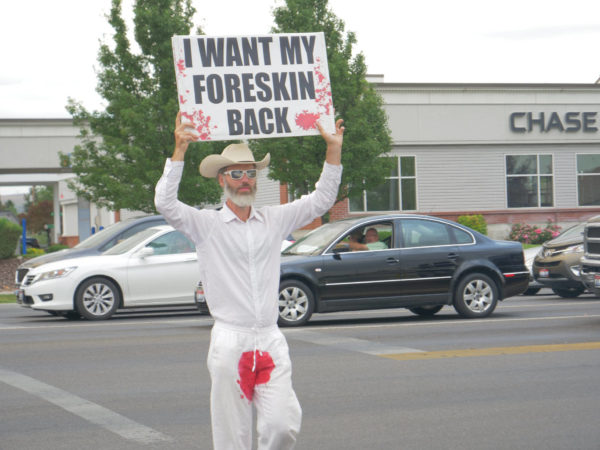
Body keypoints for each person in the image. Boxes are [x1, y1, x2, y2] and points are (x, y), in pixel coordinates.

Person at [155, 112, 344, 450]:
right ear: (222, 180)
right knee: (232, 439)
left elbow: (321, 200)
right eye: (237, 173)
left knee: (282, 427)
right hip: (231, 340)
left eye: (251, 173)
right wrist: (179, 151)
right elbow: (165, 203)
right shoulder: (205, 224)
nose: (245, 179)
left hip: (270, 339)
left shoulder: (273, 219)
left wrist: (333, 151)